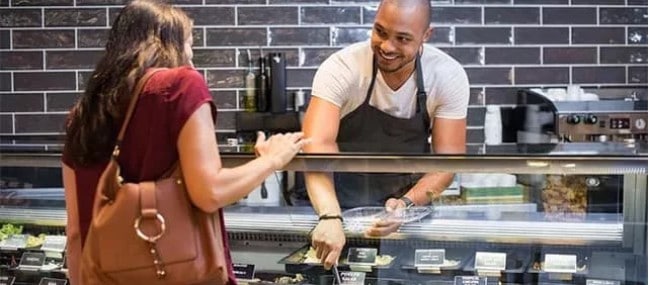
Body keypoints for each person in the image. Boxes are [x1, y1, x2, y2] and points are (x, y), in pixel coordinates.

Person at [61, 1, 308, 284]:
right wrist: (272, 160)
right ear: (171, 44)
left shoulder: (83, 114)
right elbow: (210, 191)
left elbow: (76, 230)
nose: (191, 57)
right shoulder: (181, 86)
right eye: (190, 44)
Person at [301, 0, 470, 269]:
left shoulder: (446, 75)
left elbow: (447, 164)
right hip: (337, 211)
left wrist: (406, 205)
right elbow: (316, 149)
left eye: (403, 38)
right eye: (380, 31)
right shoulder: (342, 68)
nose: (387, 47)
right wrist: (330, 216)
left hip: (405, 214)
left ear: (426, 36)